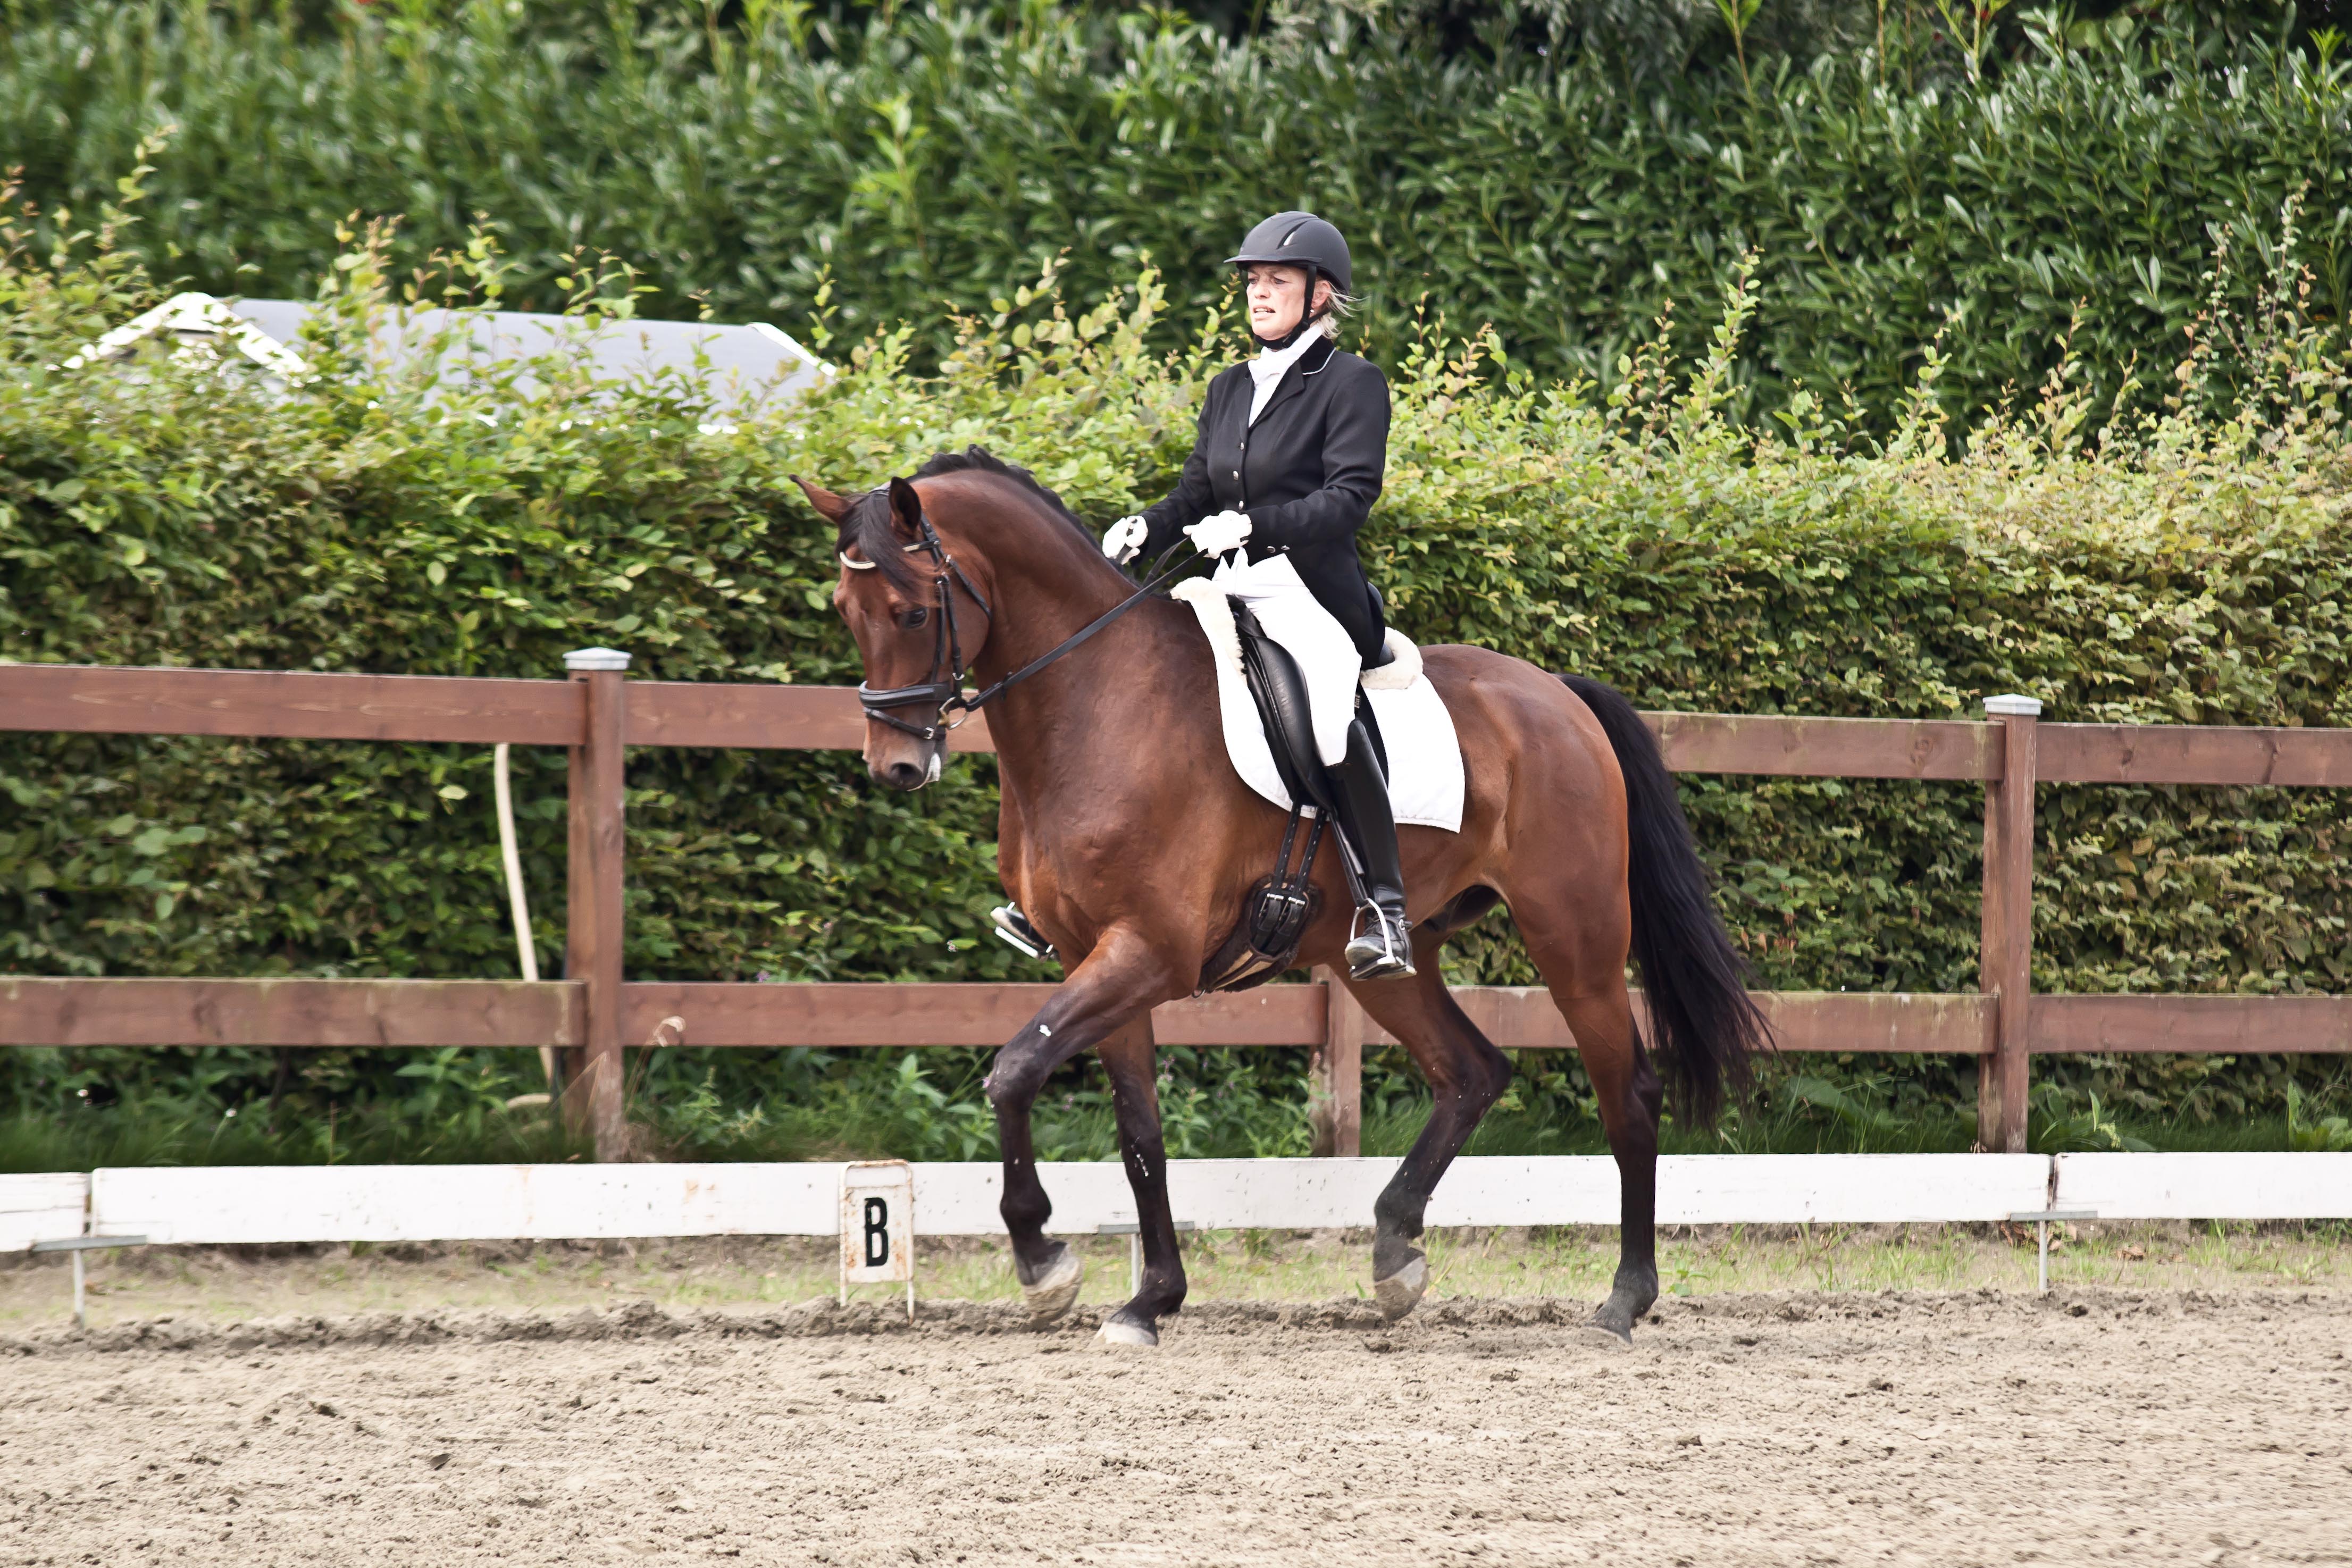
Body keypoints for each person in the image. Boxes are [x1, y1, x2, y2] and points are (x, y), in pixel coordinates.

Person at [1102, 211, 1411, 981]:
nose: (1259, 294)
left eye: (1277, 282)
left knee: (1331, 722)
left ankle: (1385, 907)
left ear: (1320, 295)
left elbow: (1349, 498)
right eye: (1253, 282)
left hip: (1310, 592)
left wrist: (1255, 521)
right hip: (1233, 586)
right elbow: (1196, 492)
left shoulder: (1351, 383)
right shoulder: (1230, 386)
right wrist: (1147, 524)